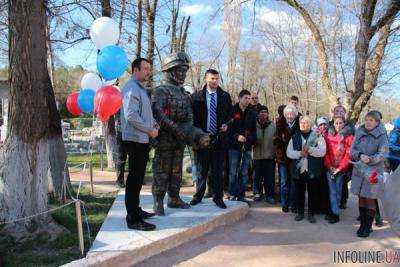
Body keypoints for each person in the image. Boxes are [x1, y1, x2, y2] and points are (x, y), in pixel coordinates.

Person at [151, 52, 210, 216]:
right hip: (164, 139)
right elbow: (159, 114)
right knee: (162, 171)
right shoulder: (160, 91)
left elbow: (189, 116)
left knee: (176, 171)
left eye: (185, 71)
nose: (183, 74)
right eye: (180, 71)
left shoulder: (184, 93)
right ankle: (158, 201)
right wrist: (177, 130)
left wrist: (191, 132)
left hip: (180, 140)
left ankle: (174, 198)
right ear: (170, 71)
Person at [120, 58, 158, 231]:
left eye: (149, 69)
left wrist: (153, 124)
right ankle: (133, 219)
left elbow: (141, 113)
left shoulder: (139, 88)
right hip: (135, 139)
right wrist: (150, 131)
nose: (148, 72)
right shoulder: (131, 88)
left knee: (138, 178)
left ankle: (136, 210)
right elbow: (131, 115)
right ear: (135, 70)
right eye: (145, 69)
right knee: (135, 179)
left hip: (141, 139)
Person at [190, 69, 232, 209]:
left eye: (217, 79)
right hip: (203, 138)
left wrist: (227, 124)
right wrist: (198, 135)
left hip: (219, 138)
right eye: (212, 78)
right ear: (206, 79)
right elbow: (193, 118)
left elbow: (230, 116)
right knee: (202, 170)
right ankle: (198, 196)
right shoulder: (196, 96)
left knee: (218, 171)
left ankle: (218, 197)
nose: (215, 81)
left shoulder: (225, 96)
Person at [350, 111, 388, 238]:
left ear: (377, 122)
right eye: (366, 120)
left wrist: (370, 159)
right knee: (361, 197)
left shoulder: (382, 135)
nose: (368, 122)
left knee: (370, 198)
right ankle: (363, 224)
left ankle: (368, 226)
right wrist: (360, 155)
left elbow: (383, 154)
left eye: (371, 120)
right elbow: (352, 150)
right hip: (359, 169)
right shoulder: (359, 132)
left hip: (373, 172)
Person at [287, 115, 326, 223]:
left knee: (313, 193)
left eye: (306, 123)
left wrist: (310, 150)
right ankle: (300, 213)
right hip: (299, 170)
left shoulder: (317, 137)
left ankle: (311, 214)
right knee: (299, 192)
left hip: (313, 170)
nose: (303, 125)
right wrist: (300, 153)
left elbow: (322, 151)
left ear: (310, 124)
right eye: (301, 123)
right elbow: (289, 153)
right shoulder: (294, 137)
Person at [228, 89, 257, 201]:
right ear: (239, 98)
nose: (248, 100)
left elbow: (254, 131)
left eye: (249, 99)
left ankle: (241, 195)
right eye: (246, 98)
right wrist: (237, 137)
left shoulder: (252, 112)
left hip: (247, 146)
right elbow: (228, 129)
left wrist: (251, 139)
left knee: (244, 171)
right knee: (233, 171)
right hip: (234, 146)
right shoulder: (232, 110)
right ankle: (232, 193)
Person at [324, 116, 353, 223]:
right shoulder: (328, 136)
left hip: (341, 170)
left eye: (340, 123)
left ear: (344, 124)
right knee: (332, 191)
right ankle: (333, 212)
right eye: (336, 123)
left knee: (338, 191)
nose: (338, 125)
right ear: (333, 124)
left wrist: (340, 168)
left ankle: (335, 212)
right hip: (330, 168)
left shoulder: (349, 137)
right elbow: (326, 153)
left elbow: (348, 155)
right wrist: (329, 166)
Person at [329, 105, 355, 210]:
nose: (339, 112)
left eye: (341, 111)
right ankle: (332, 204)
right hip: (331, 159)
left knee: (343, 182)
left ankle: (342, 202)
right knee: (333, 184)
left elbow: (348, 133)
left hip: (344, 159)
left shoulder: (349, 125)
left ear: (345, 113)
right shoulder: (330, 124)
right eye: (337, 111)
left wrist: (339, 135)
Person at [274, 104, 299, 213]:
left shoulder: (299, 124)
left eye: (291, 114)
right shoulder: (280, 125)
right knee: (284, 182)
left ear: (295, 114)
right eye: (287, 114)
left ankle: (294, 204)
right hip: (283, 158)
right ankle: (285, 203)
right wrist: (279, 155)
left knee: (294, 181)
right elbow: (276, 141)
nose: (289, 116)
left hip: (295, 158)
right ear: (284, 115)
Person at [252, 106, 276, 204]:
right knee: (257, 176)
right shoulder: (254, 125)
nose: (263, 114)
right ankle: (257, 193)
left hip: (269, 155)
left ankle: (269, 195)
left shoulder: (273, 126)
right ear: (258, 114)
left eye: (265, 112)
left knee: (269, 177)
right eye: (261, 112)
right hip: (257, 156)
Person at [115, 109, 127, 188]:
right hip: (121, 132)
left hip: (132, 132)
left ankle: (136, 179)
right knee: (121, 158)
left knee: (134, 157)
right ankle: (120, 180)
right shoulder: (119, 102)